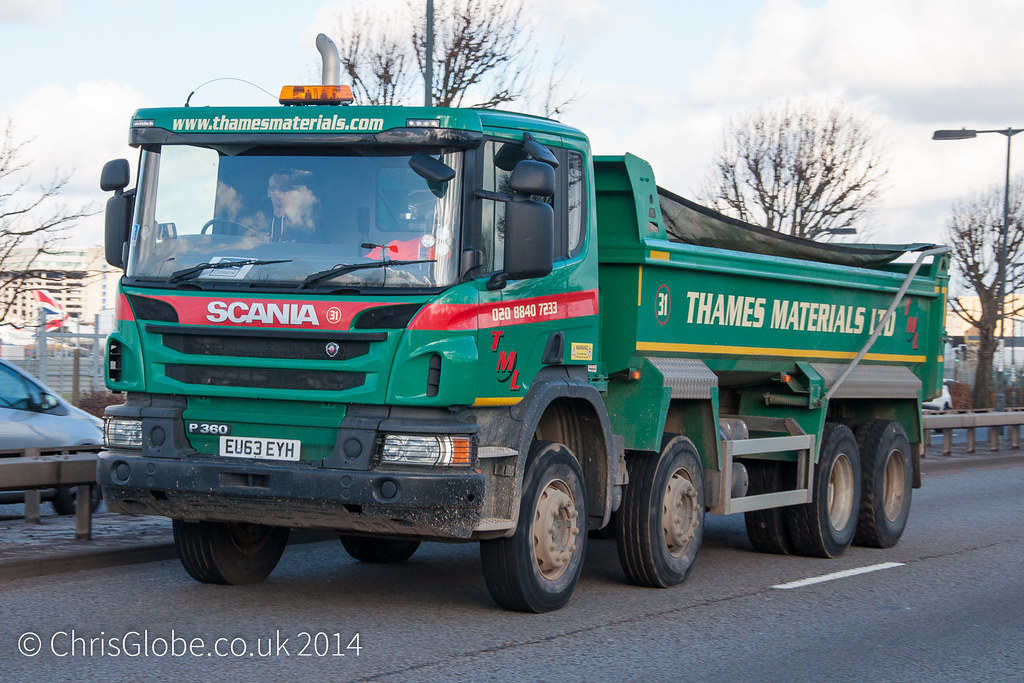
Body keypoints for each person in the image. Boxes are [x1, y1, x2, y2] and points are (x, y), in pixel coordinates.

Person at [267, 170, 318, 242]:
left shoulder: (306, 225)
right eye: (273, 188)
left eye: (283, 188)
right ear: (268, 192)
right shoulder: (260, 222)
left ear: (291, 191)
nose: (277, 192)